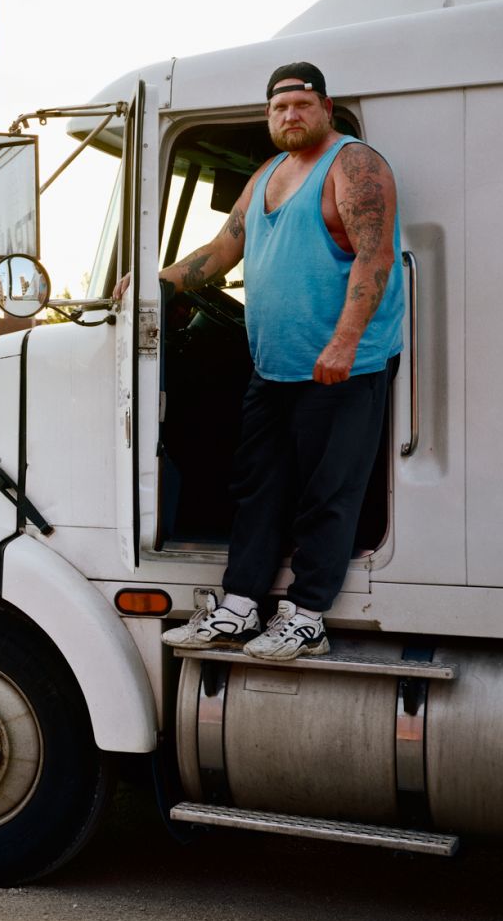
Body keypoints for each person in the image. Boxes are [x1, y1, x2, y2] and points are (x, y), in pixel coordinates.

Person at [129, 61, 404, 660]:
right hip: (274, 368)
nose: (290, 116)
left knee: (327, 493)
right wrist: (158, 286)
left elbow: (375, 258)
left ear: (325, 109)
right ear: (268, 116)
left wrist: (344, 342)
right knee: (257, 489)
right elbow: (221, 251)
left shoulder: (354, 165)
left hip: (340, 368)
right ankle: (239, 606)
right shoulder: (268, 174)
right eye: (280, 108)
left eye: (302, 105)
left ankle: (306, 617)